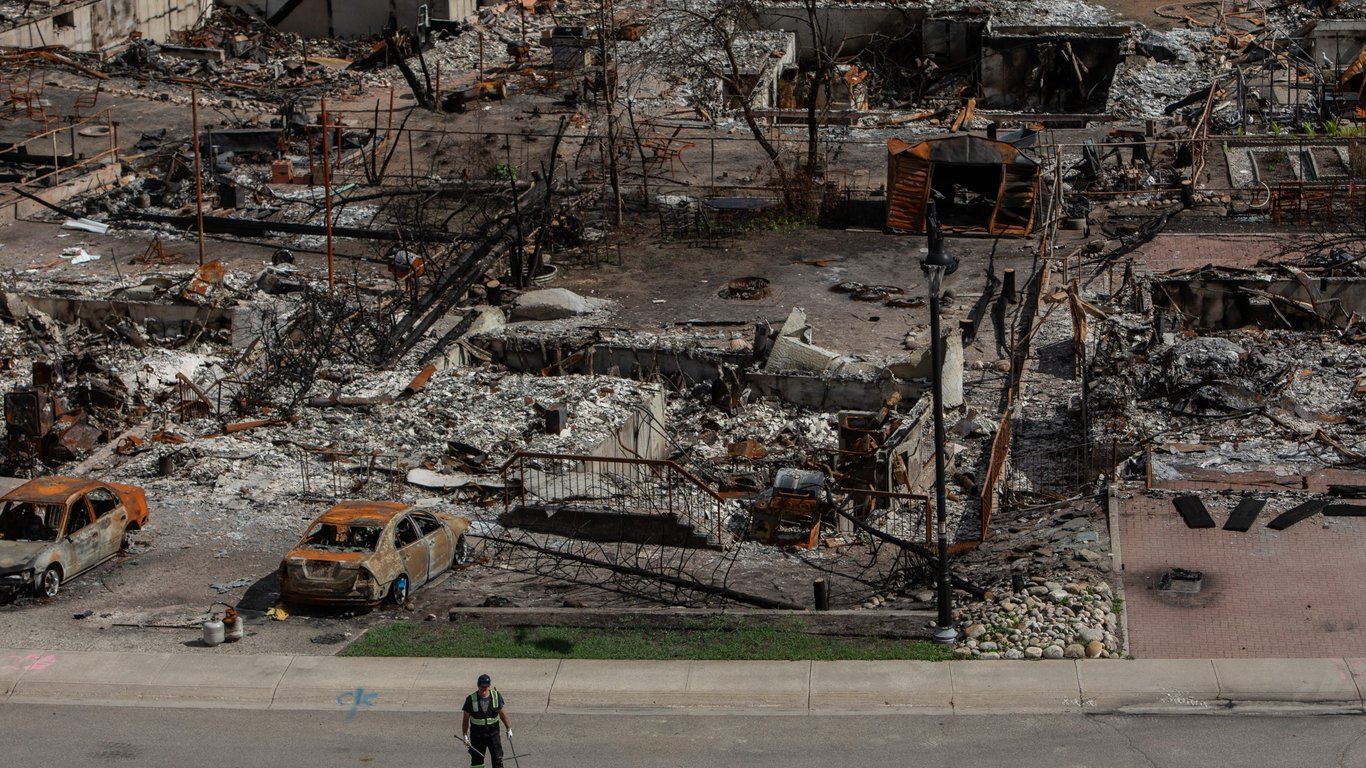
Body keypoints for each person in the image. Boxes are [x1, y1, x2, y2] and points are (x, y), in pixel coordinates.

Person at [460, 673, 511, 768]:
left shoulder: (496, 696)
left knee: (497, 758)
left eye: (486, 687)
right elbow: (465, 718)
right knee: (477, 760)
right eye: (481, 687)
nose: (483, 690)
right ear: (478, 686)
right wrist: (465, 735)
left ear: (489, 686)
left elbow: (502, 713)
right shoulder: (471, 699)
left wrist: (509, 728)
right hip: (477, 734)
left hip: (493, 733)